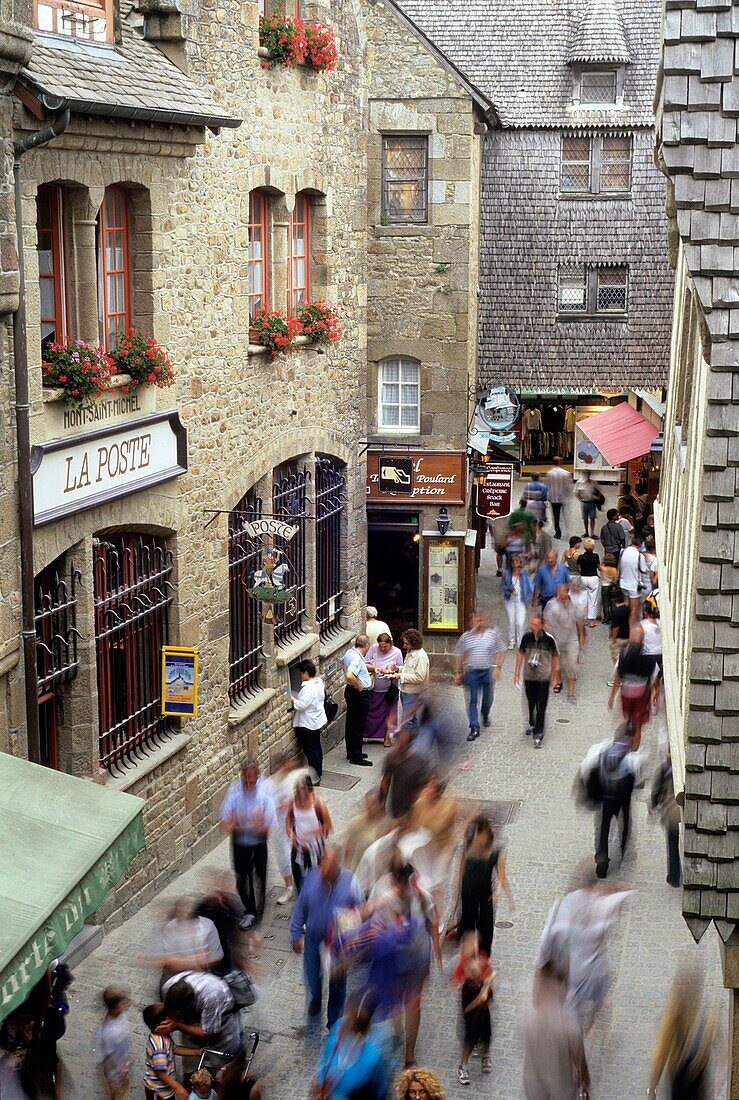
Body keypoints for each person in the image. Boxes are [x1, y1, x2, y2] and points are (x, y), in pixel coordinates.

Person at [536, 861, 632, 1030]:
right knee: (595, 1003)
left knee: (575, 1008)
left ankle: (579, 1035)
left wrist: (540, 969)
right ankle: (590, 1033)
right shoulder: (599, 905)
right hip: (592, 971)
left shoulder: (563, 904)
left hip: (570, 971)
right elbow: (609, 917)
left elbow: (546, 940)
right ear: (594, 884)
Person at [290, 847, 364, 1030]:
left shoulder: (351, 882)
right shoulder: (311, 878)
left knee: (338, 983)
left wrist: (355, 938)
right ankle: (315, 997)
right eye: (322, 867)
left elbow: (361, 910)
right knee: (312, 976)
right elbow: (301, 906)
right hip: (314, 938)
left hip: (339, 943)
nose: (323, 874)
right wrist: (295, 933)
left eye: (328, 870)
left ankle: (334, 1021)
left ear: (336, 867)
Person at [580, 723, 643, 878]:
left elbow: (585, 769)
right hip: (621, 800)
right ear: (633, 740)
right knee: (624, 826)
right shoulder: (633, 758)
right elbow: (639, 782)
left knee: (601, 828)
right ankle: (622, 851)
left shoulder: (600, 748)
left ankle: (601, 863)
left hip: (603, 798)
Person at [647, 966, 717, 1100]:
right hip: (681, 1091)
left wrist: (652, 1091)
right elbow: (660, 1057)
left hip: (690, 1091)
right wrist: (651, 1090)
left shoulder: (705, 1023)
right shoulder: (673, 1021)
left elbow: (660, 1058)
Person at [220, 762, 275, 929]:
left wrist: (241, 820)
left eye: (252, 779)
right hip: (239, 843)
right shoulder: (234, 793)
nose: (249, 783)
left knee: (259, 876)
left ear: (257, 778)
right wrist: (250, 823)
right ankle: (249, 910)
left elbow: (267, 825)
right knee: (241, 878)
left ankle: (259, 909)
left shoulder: (264, 795)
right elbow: (225, 823)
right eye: (246, 779)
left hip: (258, 842)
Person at [522, 960, 589, 1100]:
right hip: (562, 1089)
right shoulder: (569, 1023)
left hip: (534, 1086)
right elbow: (579, 1059)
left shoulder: (528, 1016)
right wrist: (585, 1081)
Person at [162, 972, 242, 1076]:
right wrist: (195, 1051)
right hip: (195, 1012)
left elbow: (207, 1033)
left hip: (222, 1015)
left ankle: (226, 1073)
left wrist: (177, 1025)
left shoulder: (212, 997)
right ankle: (191, 1075)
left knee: (226, 1054)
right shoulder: (168, 987)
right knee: (192, 1054)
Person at [454, 815, 511, 956]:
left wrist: (500, 892)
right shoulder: (468, 843)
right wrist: (459, 886)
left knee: (485, 927)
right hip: (468, 891)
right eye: (477, 834)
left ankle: (483, 958)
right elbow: (461, 867)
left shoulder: (497, 850)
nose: (478, 838)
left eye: (481, 835)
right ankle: (467, 959)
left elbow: (501, 874)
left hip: (485, 894)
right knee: (468, 925)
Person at [314, 997, 388, 1100]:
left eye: (345, 1030)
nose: (339, 1031)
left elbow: (379, 1091)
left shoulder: (371, 1061)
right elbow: (323, 1064)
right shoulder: (333, 1042)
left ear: (357, 1037)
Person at [453, 612, 507, 741]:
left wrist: (498, 668)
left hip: (487, 671)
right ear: (472, 622)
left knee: (488, 698)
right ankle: (474, 727)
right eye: (476, 620)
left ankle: (485, 714)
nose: (478, 623)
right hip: (472, 672)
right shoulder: (466, 637)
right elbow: (459, 654)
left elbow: (502, 649)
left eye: (480, 620)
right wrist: (457, 672)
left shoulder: (492, 635)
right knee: (472, 700)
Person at [156, 898, 224, 991]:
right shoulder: (170, 928)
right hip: (176, 976)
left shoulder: (208, 926)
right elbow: (169, 962)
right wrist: (197, 959)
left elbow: (217, 956)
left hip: (201, 975)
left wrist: (186, 961)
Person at [514, 613, 560, 747]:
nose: (533, 626)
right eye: (532, 624)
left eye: (536, 624)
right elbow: (520, 653)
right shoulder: (526, 637)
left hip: (543, 677)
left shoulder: (549, 640)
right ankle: (532, 721)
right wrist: (516, 672)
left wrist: (555, 676)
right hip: (529, 676)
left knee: (542, 706)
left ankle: (539, 733)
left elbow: (555, 656)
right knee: (531, 703)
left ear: (542, 624)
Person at [262, 758, 303, 906]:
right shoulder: (268, 785)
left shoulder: (293, 780)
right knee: (283, 858)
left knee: (298, 856)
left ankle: (301, 887)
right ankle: (289, 888)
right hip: (278, 827)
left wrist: (291, 802)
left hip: (295, 823)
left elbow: (303, 797)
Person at [608, 624, 657, 748]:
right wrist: (656, 691)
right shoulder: (649, 655)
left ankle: (621, 744)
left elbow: (618, 676)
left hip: (626, 693)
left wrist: (612, 697)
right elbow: (654, 676)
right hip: (642, 694)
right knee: (638, 725)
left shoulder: (624, 654)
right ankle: (634, 750)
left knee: (626, 719)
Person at [286, 774, 332, 894]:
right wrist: (292, 836)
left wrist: (311, 831)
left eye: (304, 793)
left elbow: (328, 825)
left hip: (316, 850)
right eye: (299, 792)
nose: (301, 797)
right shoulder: (293, 802)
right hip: (298, 849)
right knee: (299, 880)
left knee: (316, 882)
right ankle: (302, 902)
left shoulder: (318, 804)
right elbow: (288, 822)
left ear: (309, 790)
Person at [457, 941, 493, 1086]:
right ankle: (463, 1066)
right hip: (471, 1022)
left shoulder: (484, 984)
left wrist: (487, 993)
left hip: (484, 1019)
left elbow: (489, 1001)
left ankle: (485, 1056)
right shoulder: (466, 989)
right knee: (469, 1043)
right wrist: (479, 999)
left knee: (487, 1039)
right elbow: (467, 1008)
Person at [544, 582, 585, 702]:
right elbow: (545, 621)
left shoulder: (574, 605)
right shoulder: (552, 604)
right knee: (559, 663)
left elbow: (579, 620)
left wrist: (582, 635)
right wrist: (549, 629)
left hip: (571, 639)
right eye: (559, 593)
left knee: (572, 665)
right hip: (557, 640)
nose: (560, 595)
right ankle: (559, 681)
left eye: (562, 593)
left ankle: (571, 692)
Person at [196, 872, 243, 976]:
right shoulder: (204, 905)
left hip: (224, 954)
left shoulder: (233, 906)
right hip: (208, 951)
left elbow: (236, 932)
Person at [379, 725, 430, 821]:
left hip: (413, 808)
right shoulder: (391, 758)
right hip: (396, 806)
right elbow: (386, 780)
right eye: (399, 740)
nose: (400, 744)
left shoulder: (420, 762)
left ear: (409, 743)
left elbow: (425, 786)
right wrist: (382, 803)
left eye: (403, 741)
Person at [142, 1003, 190, 1100]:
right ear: (162, 1024)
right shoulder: (160, 1047)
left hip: (152, 1081)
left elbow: (175, 1049)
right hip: (163, 1087)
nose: (174, 1022)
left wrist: (196, 1052)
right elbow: (160, 1073)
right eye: (171, 1018)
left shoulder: (164, 1036)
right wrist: (178, 1087)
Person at [650, 749, 682, 888]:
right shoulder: (683, 769)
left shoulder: (664, 770)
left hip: (672, 815)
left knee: (673, 845)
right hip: (686, 814)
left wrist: (653, 804)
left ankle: (674, 877)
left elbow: (655, 791)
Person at [364, 632, 403, 747]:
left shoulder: (397, 652)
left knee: (390, 712)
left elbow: (401, 669)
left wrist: (392, 670)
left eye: (385, 647)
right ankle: (369, 735)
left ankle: (387, 737)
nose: (382, 649)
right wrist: (378, 669)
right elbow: (365, 664)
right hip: (374, 687)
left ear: (390, 644)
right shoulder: (373, 649)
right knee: (372, 712)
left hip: (389, 688)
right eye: (380, 646)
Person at [292, 659, 326, 781]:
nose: (301, 676)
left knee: (311, 750)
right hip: (316, 721)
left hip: (307, 724)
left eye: (301, 673)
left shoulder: (308, 689)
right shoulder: (319, 682)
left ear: (306, 673)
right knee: (316, 747)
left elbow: (301, 706)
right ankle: (318, 772)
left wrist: (293, 699)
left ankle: (315, 776)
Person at [341, 635, 373, 766]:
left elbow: (342, 661)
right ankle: (356, 756)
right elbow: (350, 675)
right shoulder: (356, 658)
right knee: (358, 725)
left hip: (351, 692)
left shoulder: (350, 652)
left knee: (352, 723)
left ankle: (352, 752)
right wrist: (359, 686)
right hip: (358, 693)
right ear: (366, 646)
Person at [343, 788, 391, 872]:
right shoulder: (356, 822)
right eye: (367, 803)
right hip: (360, 870)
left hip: (379, 872)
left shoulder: (388, 826)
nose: (370, 807)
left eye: (373, 803)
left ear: (381, 804)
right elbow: (350, 845)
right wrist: (346, 866)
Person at [98, 985, 131, 1100]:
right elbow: (109, 1055)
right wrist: (120, 1069)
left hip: (121, 1060)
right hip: (114, 1068)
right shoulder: (110, 1032)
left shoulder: (118, 1015)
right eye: (124, 1002)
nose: (127, 1004)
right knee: (116, 1091)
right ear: (116, 1007)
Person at [392, 629, 429, 728]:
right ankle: (415, 739)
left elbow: (419, 677)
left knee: (407, 720)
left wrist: (400, 676)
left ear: (414, 643)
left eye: (407, 644)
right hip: (406, 690)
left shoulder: (421, 657)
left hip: (413, 692)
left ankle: (408, 740)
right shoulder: (410, 652)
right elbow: (408, 669)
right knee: (412, 718)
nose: (404, 646)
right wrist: (398, 669)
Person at [502, 555, 533, 650]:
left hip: (521, 601)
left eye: (517, 562)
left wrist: (527, 597)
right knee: (511, 621)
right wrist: (508, 590)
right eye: (513, 562)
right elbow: (503, 587)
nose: (515, 564)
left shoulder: (524, 575)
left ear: (520, 563)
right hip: (510, 600)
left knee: (520, 622)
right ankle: (512, 641)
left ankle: (521, 642)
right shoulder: (507, 574)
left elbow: (529, 588)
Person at [618, 535, 650, 624]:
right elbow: (644, 570)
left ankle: (624, 626)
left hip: (623, 583)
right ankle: (632, 631)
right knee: (634, 611)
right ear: (640, 544)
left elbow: (620, 566)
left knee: (626, 606)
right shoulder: (639, 556)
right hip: (633, 586)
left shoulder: (623, 551)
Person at [545, 457, 573, 540]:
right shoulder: (566, 473)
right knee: (565, 515)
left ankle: (558, 533)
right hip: (563, 497)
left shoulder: (549, 473)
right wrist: (568, 495)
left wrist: (548, 496)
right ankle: (567, 531)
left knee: (556, 516)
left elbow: (547, 486)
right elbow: (569, 486)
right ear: (560, 462)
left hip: (553, 498)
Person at [607, 587, 630, 684]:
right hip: (627, 636)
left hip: (619, 639)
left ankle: (619, 679)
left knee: (617, 660)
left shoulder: (617, 612)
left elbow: (616, 627)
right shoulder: (628, 609)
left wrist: (613, 639)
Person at [577, 538, 600, 627]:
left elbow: (579, 568)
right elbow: (598, 566)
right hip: (593, 577)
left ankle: (582, 619)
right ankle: (591, 621)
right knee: (592, 599)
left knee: (582, 598)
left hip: (583, 577)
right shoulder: (596, 556)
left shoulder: (581, 557)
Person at [574, 469, 600, 538]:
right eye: (585, 474)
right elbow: (576, 493)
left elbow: (597, 491)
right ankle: (586, 532)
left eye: (587, 474)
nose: (586, 475)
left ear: (589, 475)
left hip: (592, 502)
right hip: (584, 502)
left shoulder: (593, 483)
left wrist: (596, 497)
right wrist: (580, 500)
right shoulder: (579, 482)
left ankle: (592, 533)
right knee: (585, 518)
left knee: (592, 518)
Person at [598, 553, 619, 624]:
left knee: (605, 603)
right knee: (613, 603)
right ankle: (613, 617)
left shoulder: (603, 569)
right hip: (612, 588)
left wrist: (602, 561)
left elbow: (598, 566)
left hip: (604, 586)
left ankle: (606, 618)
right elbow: (616, 579)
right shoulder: (614, 570)